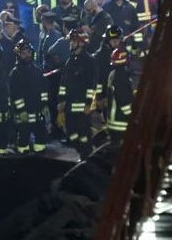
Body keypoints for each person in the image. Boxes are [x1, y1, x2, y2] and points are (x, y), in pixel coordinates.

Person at [58, 28, 98, 158]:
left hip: (83, 107)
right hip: (70, 105)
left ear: (81, 43)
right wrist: (61, 100)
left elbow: (92, 85)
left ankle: (86, 156)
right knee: (71, 133)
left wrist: (88, 104)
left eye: (73, 41)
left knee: (84, 135)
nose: (71, 44)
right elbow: (63, 84)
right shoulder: (70, 61)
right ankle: (83, 152)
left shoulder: (89, 61)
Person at [9, 39, 49, 153]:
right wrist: (21, 110)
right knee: (23, 139)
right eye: (24, 53)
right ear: (18, 55)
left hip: (37, 112)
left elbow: (44, 90)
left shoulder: (37, 70)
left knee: (41, 138)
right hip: (24, 114)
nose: (27, 55)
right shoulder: (15, 73)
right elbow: (15, 94)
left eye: (28, 52)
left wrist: (44, 105)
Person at [106, 47, 134, 146]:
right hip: (121, 122)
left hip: (113, 121)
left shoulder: (113, 74)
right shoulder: (121, 76)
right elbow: (124, 101)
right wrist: (132, 116)